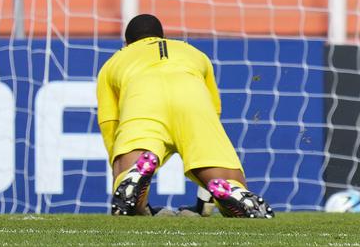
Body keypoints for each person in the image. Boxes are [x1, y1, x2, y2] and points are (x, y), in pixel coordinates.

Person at [96, 13, 273, 218]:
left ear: (127, 43)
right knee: (228, 178)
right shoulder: (194, 52)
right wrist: (205, 193)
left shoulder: (114, 62)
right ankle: (232, 188)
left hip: (143, 99)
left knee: (128, 174)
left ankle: (133, 180)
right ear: (162, 36)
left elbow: (110, 124)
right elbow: (213, 111)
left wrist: (118, 164)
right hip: (193, 99)